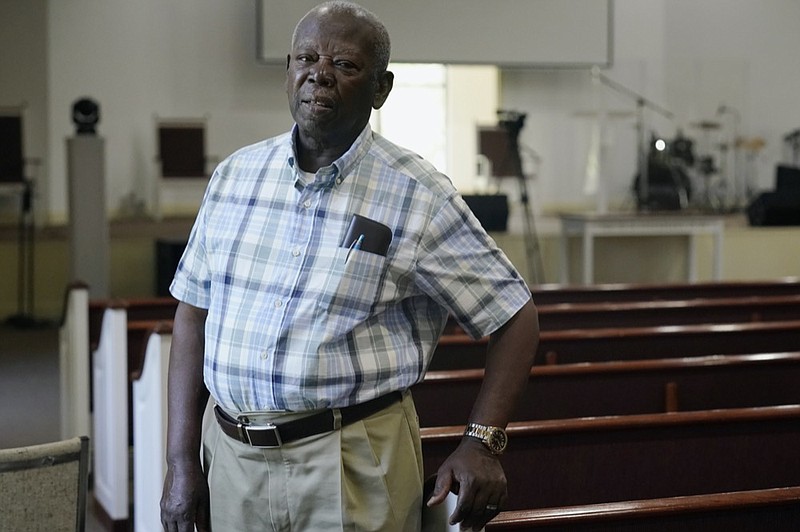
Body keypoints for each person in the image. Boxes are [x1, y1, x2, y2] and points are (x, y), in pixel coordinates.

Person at [160, 1, 539, 531]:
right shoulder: (234, 178)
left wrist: (483, 442)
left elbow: (515, 316)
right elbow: (192, 316)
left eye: (345, 64)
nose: (319, 74)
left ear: (381, 88)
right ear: (288, 72)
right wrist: (180, 464)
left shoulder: (417, 193)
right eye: (306, 58)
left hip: (351, 461)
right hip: (232, 458)